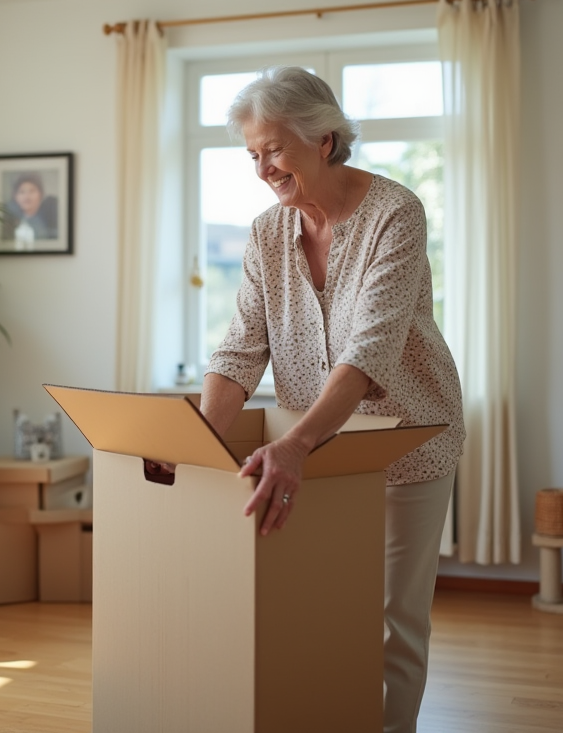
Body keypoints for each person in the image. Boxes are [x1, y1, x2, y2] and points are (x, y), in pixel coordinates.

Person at [201, 67, 464, 733]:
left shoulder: (394, 213)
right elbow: (240, 354)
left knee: (395, 616)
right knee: (323, 606)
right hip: (317, 448)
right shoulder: (266, 234)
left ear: (323, 138)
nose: (262, 167)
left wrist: (292, 443)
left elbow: (366, 354)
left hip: (411, 436)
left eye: (273, 149)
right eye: (252, 154)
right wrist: (198, 443)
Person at [1, 173, 59, 250]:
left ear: (41, 194)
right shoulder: (8, 221)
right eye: (22, 192)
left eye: (32, 191)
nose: (27, 196)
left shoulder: (52, 219)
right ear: (15, 196)